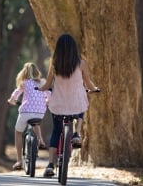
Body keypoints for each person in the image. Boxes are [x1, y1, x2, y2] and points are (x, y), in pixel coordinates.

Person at [38, 33, 99, 177]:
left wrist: (39, 89)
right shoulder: (81, 63)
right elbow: (89, 83)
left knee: (56, 131)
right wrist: (95, 89)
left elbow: (47, 85)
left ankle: (50, 165)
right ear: (74, 48)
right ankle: (77, 133)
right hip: (75, 103)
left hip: (58, 104)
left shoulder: (54, 64)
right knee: (81, 106)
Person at [7, 62, 51, 171]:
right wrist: (46, 101)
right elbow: (49, 95)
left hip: (26, 111)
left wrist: (12, 101)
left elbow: (16, 93)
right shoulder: (43, 82)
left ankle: (19, 161)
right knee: (35, 123)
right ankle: (40, 140)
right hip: (40, 112)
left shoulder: (25, 83)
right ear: (37, 72)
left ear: (24, 73)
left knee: (18, 132)